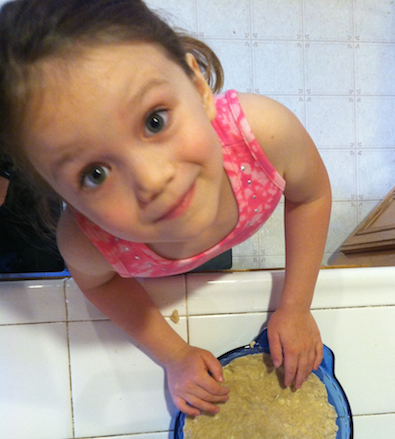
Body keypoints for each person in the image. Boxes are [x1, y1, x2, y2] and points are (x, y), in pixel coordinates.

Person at [0, 0, 331, 416]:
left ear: (197, 87)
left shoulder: (266, 135)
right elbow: (99, 284)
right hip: (158, 275)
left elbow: (310, 195)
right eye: (95, 173)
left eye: (155, 121)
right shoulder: (87, 241)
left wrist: (296, 306)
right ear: (55, 191)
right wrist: (174, 355)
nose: (153, 180)